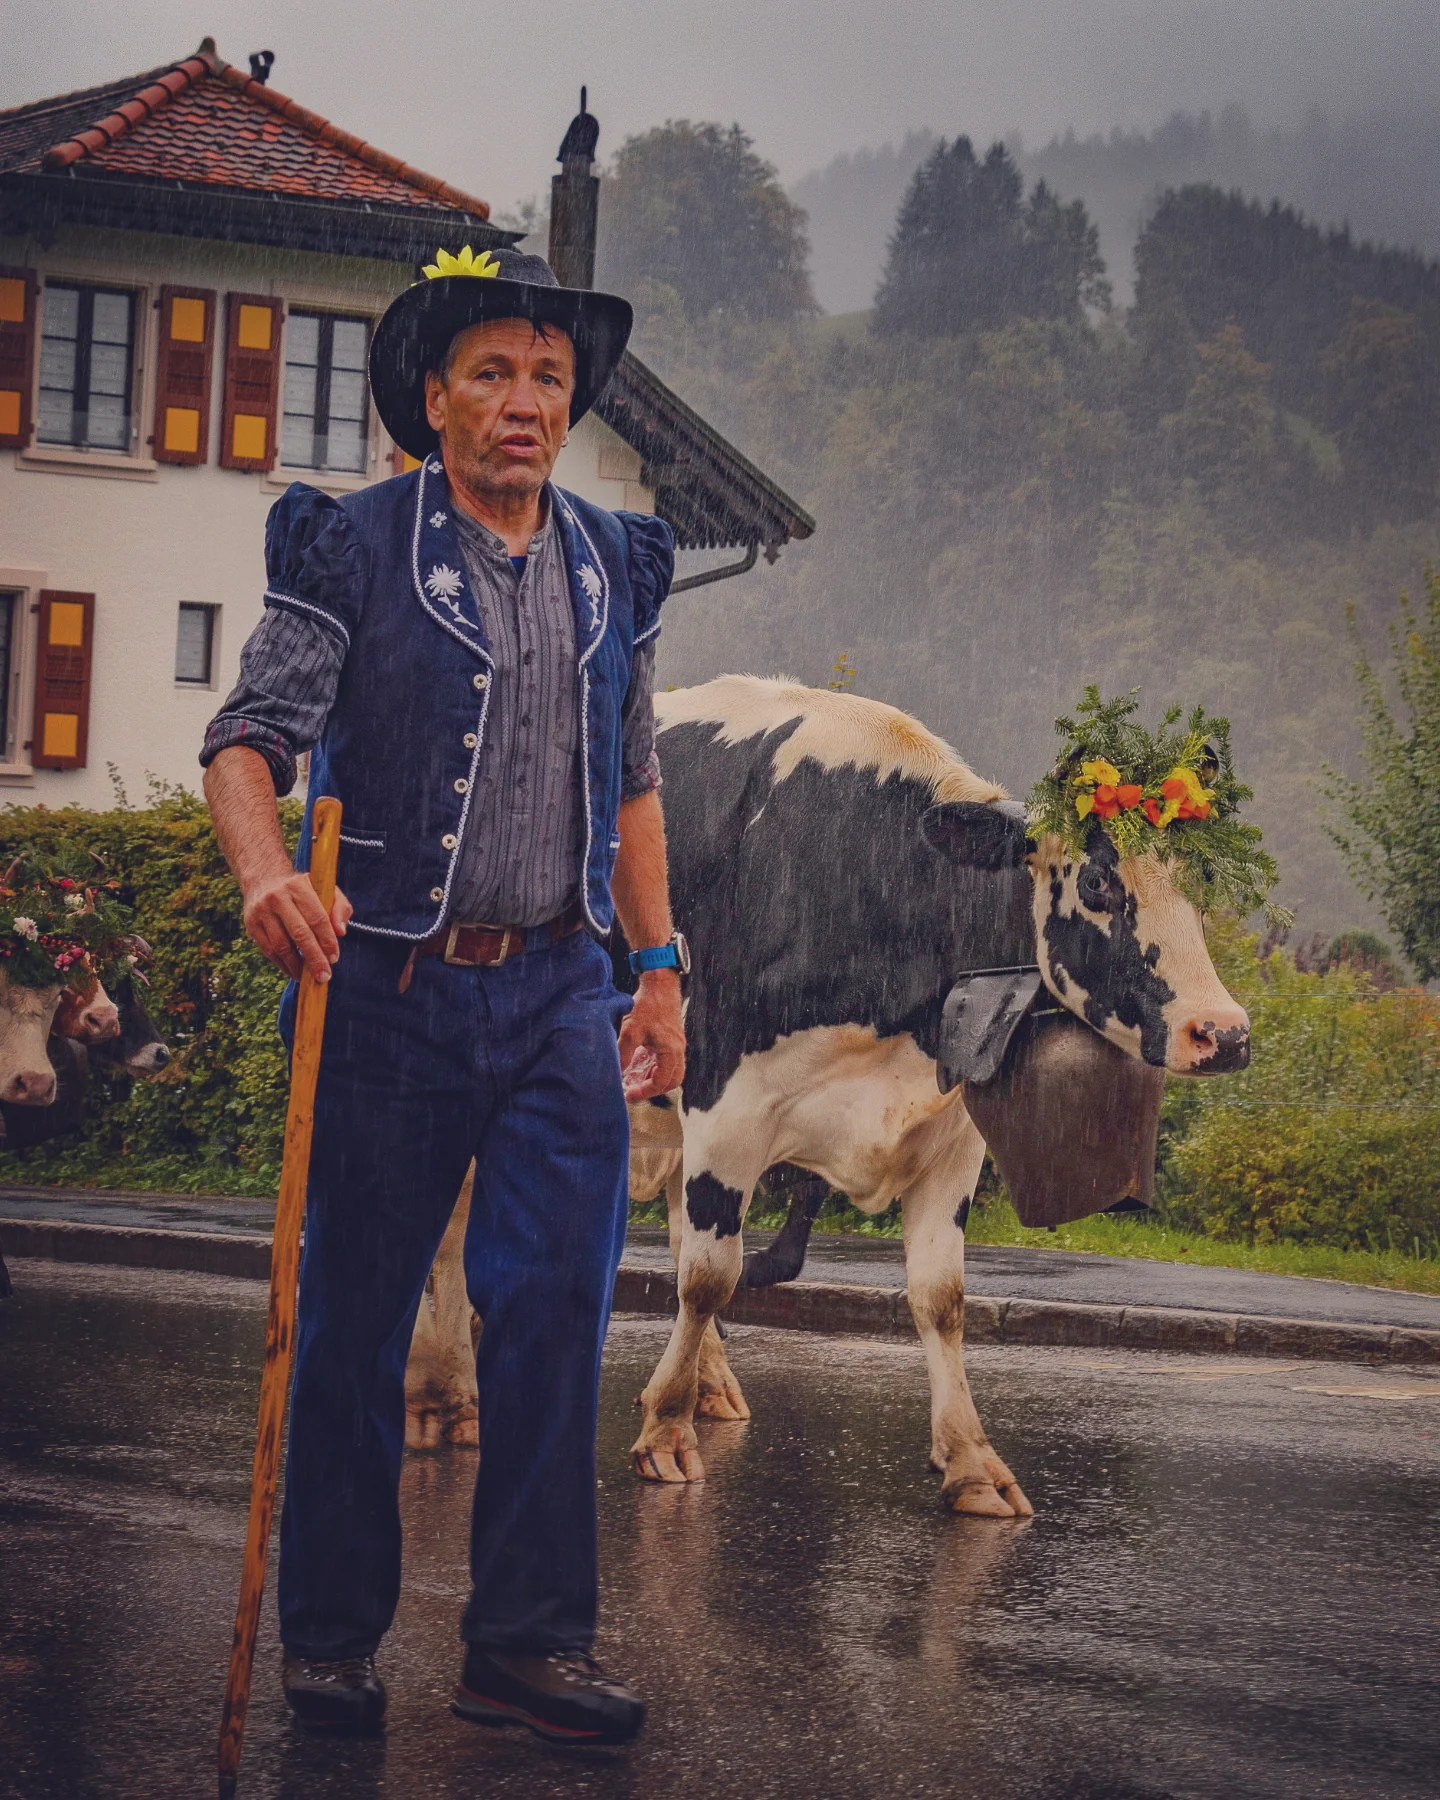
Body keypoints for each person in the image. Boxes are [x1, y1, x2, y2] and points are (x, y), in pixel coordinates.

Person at [201, 244, 686, 1748]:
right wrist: (267, 873)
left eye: (548, 375)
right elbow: (245, 741)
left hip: (556, 992)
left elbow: (638, 784)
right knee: (350, 1326)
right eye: (491, 371)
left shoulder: (616, 560)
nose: (524, 401)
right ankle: (335, 1642)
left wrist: (659, 963)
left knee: (552, 1309)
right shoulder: (350, 547)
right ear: (434, 397)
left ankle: (526, 1649)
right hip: (387, 991)